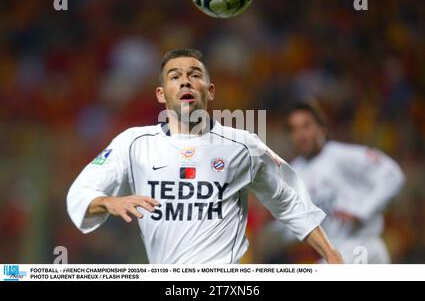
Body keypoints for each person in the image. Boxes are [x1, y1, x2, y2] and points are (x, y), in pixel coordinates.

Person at [67, 49, 343, 264]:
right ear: (161, 94)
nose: (185, 80)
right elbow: (80, 193)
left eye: (195, 74)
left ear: (210, 90)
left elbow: (290, 203)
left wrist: (330, 254)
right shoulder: (133, 143)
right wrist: (108, 202)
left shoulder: (244, 146)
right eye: (175, 76)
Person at [281, 101, 405, 263]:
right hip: (336, 254)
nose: (302, 135)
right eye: (295, 129)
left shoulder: (342, 156)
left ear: (322, 128)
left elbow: (392, 175)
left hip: (362, 246)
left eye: (306, 126)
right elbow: (291, 229)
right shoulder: (293, 173)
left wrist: (362, 211)